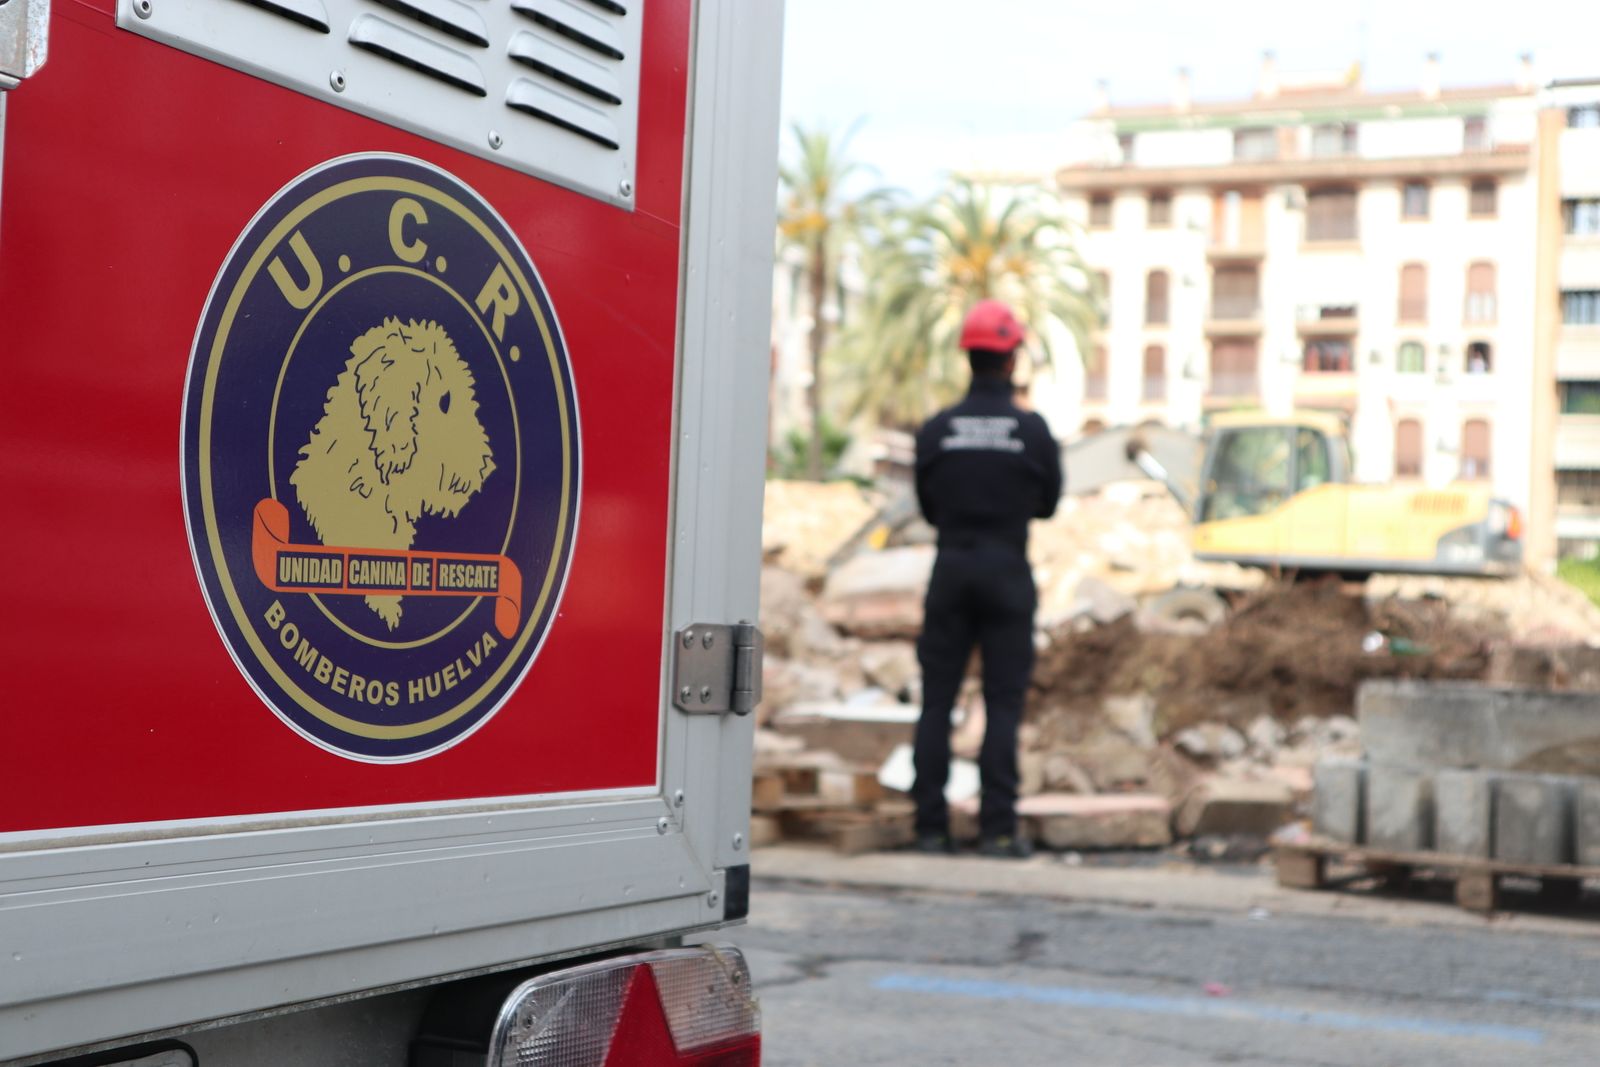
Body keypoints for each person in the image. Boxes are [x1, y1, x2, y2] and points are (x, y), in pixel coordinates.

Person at [910, 299, 1063, 858]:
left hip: (951, 569)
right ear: (1012, 358)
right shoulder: (1032, 430)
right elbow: (1048, 504)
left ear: (968, 357)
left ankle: (930, 828)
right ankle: (998, 830)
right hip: (1007, 572)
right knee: (1002, 703)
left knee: (936, 701)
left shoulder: (937, 430)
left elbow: (928, 508)